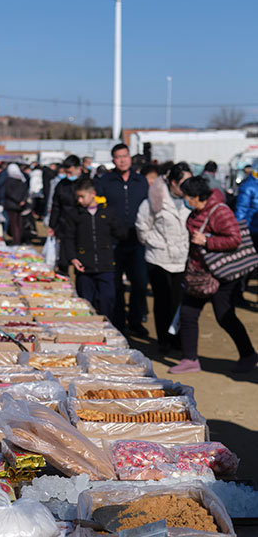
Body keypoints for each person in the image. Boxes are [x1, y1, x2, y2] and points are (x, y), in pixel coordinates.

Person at [170, 176, 257, 374]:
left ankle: (248, 354)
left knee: (224, 316)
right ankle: (190, 358)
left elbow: (234, 239)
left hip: (220, 275)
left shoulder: (220, 212)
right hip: (198, 274)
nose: (185, 200)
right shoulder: (196, 211)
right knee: (188, 314)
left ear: (196, 196)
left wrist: (207, 241)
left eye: (186, 197)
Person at [135, 163, 191, 352]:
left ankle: (178, 339)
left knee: (179, 301)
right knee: (162, 301)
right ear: (173, 182)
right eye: (184, 181)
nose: (188, 185)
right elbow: (142, 226)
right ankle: (163, 340)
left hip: (182, 258)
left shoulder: (190, 200)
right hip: (158, 258)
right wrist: (153, 243)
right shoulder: (154, 200)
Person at [96, 143, 149, 335]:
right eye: (118, 157)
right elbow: (99, 208)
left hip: (137, 241)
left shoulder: (141, 181)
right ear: (113, 160)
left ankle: (136, 321)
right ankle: (118, 322)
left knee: (140, 283)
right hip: (113, 241)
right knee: (115, 284)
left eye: (125, 156)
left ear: (130, 157)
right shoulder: (104, 182)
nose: (122, 160)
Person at [64, 177, 126, 318]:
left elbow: (119, 233)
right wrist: (73, 258)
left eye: (82, 197)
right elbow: (69, 238)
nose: (79, 200)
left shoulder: (107, 212)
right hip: (84, 266)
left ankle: (107, 326)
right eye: (77, 197)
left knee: (107, 299)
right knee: (85, 301)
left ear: (93, 193)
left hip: (106, 265)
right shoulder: (74, 214)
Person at [48, 154, 82, 274]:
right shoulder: (61, 185)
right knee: (63, 259)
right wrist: (52, 225)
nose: (68, 175)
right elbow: (56, 206)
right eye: (66, 172)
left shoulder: (85, 183)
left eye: (70, 172)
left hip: (81, 225)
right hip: (64, 224)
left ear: (79, 169)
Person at [3, 163, 28, 245]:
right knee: (18, 223)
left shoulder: (9, 180)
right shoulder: (22, 179)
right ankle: (19, 239)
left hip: (12, 204)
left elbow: (8, 192)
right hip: (20, 205)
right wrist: (22, 201)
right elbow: (25, 192)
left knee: (14, 223)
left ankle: (16, 240)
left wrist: (17, 200)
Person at [235, 165, 258, 251]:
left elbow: (241, 211)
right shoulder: (248, 186)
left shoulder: (247, 186)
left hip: (251, 229)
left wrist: (238, 229)